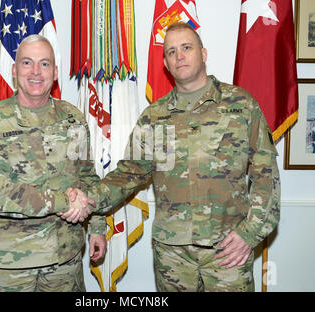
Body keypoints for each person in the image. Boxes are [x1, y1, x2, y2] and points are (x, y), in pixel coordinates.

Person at [63, 22, 280, 292]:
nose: (179, 56)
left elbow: (265, 174)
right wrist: (89, 199)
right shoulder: (155, 117)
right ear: (165, 63)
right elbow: (128, 174)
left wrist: (251, 232)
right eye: (171, 51)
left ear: (203, 53)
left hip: (227, 251)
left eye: (186, 47)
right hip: (173, 256)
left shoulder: (241, 105)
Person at [0, 34, 106, 292]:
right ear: (14, 70)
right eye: (27, 63)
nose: (35, 72)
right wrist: (63, 201)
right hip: (10, 267)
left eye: (44, 63)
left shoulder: (72, 118)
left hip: (65, 262)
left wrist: (97, 226)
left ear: (55, 72)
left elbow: (87, 176)